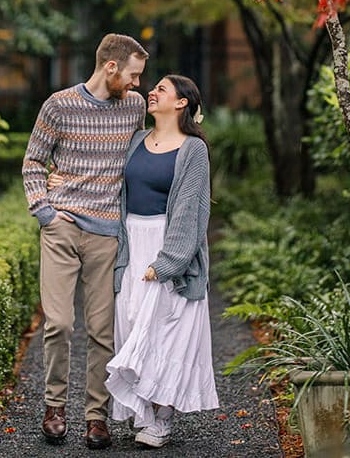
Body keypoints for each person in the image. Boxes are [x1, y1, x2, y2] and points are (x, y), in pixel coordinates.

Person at [24, 33, 148, 450]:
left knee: (102, 331)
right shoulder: (59, 105)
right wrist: (44, 210)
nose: (136, 85)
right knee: (58, 323)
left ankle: (96, 416)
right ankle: (54, 406)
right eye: (132, 75)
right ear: (110, 67)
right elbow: (33, 162)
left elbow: (147, 152)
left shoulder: (133, 108)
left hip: (107, 233)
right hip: (62, 229)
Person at [106, 74, 218, 448]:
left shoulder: (193, 150)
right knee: (132, 323)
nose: (151, 92)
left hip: (169, 248)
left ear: (181, 103)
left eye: (161, 89)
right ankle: (144, 414)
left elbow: (190, 212)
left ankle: (163, 418)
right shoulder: (136, 140)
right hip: (132, 244)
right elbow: (112, 188)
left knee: (169, 332)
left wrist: (168, 262)